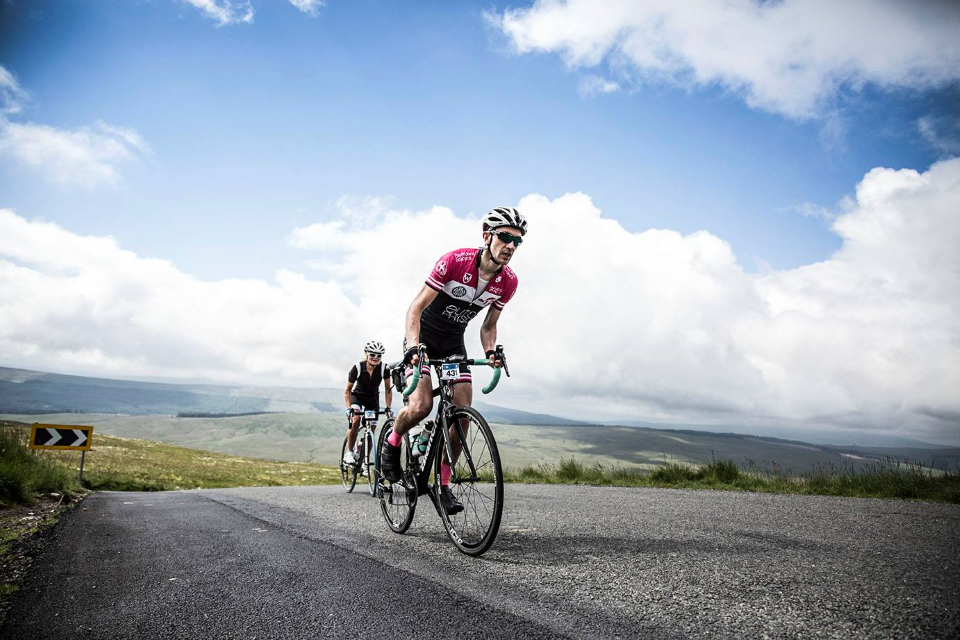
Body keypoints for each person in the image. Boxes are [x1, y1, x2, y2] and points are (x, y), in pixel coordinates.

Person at [380, 207, 526, 514]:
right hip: (423, 340)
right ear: (488, 236)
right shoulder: (455, 262)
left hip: (453, 345)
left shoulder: (508, 282)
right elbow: (415, 309)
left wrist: (490, 352)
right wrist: (413, 346)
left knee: (461, 418)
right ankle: (393, 440)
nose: (511, 245)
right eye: (505, 237)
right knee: (420, 407)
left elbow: (488, 327)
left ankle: (443, 485)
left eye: (518, 241)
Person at [343, 340, 392, 466]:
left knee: (371, 429)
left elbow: (388, 389)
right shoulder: (357, 368)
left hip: (372, 399)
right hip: (357, 397)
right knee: (356, 420)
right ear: (366, 354)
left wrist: (388, 407)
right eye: (372, 355)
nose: (375, 358)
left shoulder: (384, 368)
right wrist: (349, 408)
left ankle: (364, 460)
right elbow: (347, 391)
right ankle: (349, 452)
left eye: (379, 355)